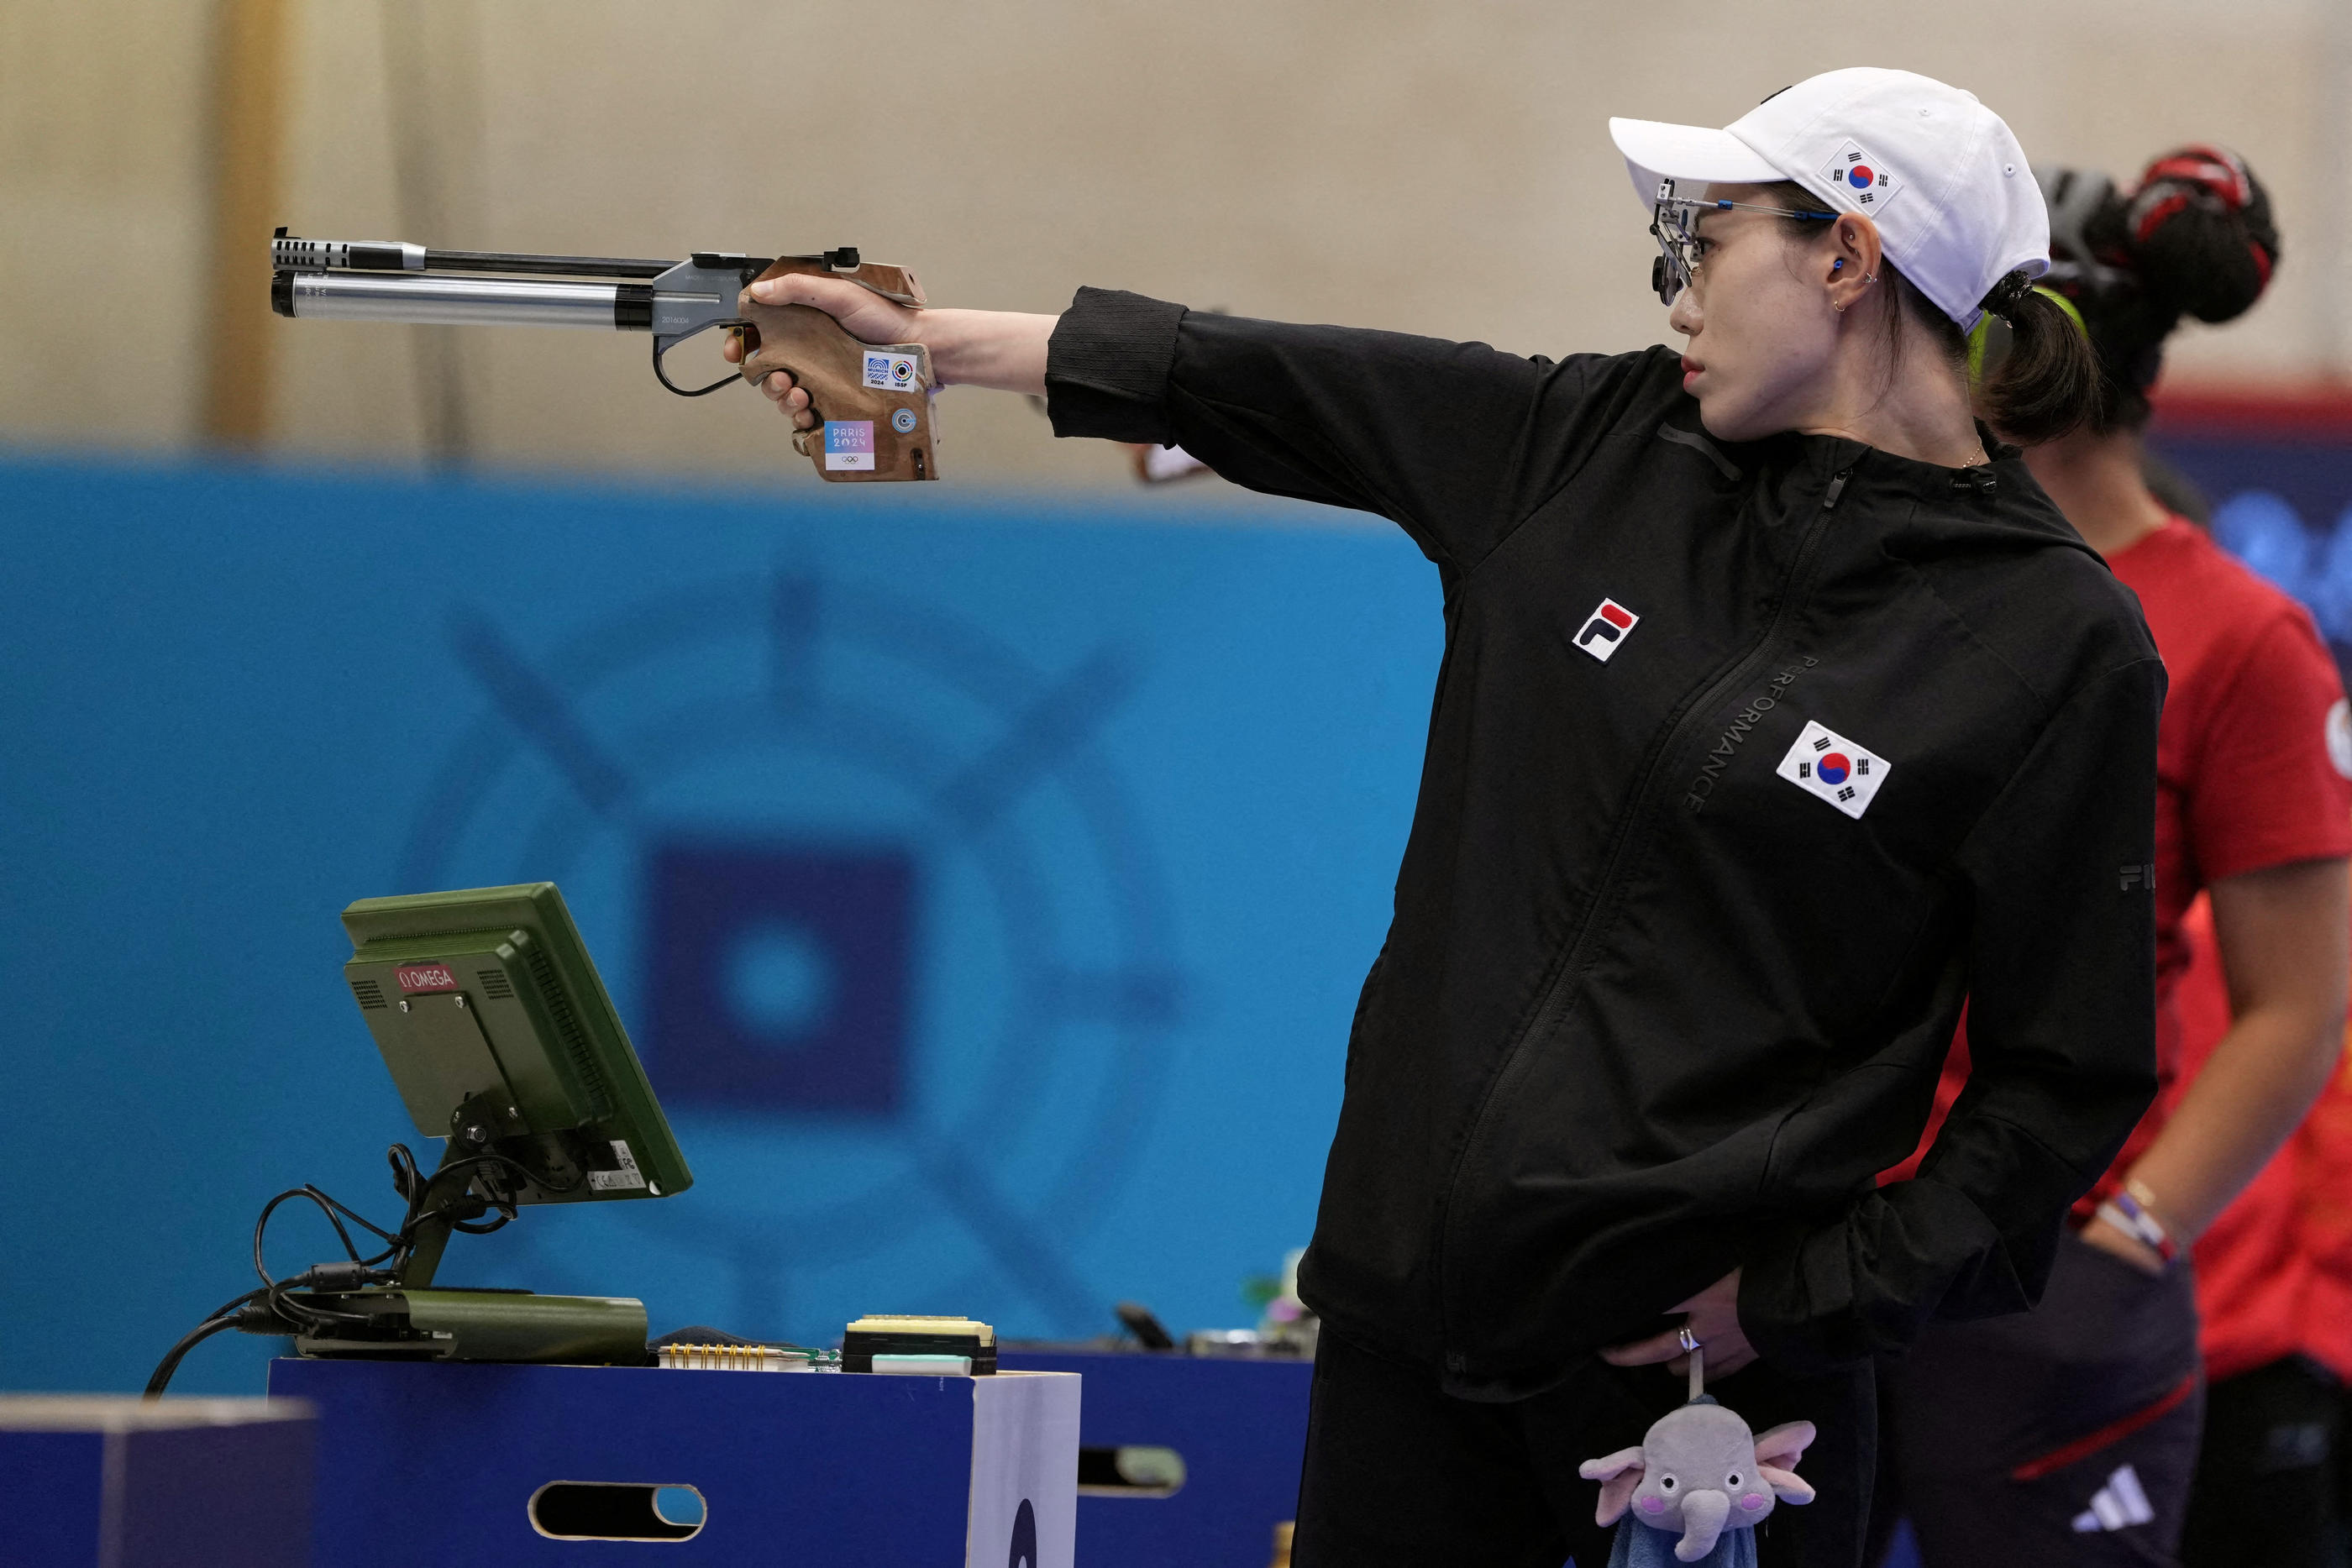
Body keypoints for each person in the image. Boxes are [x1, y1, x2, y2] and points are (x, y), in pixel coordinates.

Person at [732, 68, 2160, 1568]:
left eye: (1708, 240)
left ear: (1846, 257)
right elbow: (1256, 377)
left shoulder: (2053, 643)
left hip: (1711, 1411)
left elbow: (2064, 1085)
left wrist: (1796, 1305)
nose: (1675, 294)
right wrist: (925, 347)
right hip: (1405, 1349)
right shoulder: (1593, 442)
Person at [1869, 146, 2352, 1567]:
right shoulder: (1886, 578)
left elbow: (2296, 1003)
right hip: (1811, 1248)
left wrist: (2139, 1233)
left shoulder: (2240, 635)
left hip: (2045, 1268)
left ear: (2019, 351)